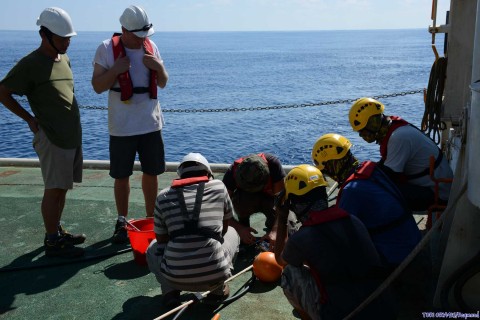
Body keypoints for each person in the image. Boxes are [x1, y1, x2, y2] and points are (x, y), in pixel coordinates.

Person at [312, 133, 432, 315]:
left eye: (326, 170)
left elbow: (341, 238)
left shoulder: (352, 192)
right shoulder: (372, 169)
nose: (328, 174)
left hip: (396, 262)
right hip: (414, 249)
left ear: (332, 164)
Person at [0, 7, 85, 258]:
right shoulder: (31, 64)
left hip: (70, 135)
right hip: (52, 137)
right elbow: (3, 92)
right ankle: (51, 239)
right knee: (54, 188)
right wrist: (29, 119)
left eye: (69, 38)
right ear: (44, 35)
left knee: (63, 187)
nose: (67, 42)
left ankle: (56, 231)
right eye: (62, 38)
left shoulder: (64, 59)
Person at [274, 164, 395, 320]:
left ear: (294, 204)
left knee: (290, 272)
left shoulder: (303, 237)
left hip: (343, 315)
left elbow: (280, 260)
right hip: (383, 308)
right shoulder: (353, 220)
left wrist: (282, 217)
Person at [91, 5, 169, 243]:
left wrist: (159, 67)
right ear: (124, 30)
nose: (142, 40)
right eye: (137, 35)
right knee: (121, 175)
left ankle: (150, 218)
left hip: (150, 124)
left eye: (144, 35)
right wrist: (115, 69)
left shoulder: (151, 47)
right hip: (122, 127)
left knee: (152, 173)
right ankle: (122, 219)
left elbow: (163, 82)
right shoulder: (106, 49)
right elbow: (97, 86)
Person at [146, 153, 240, 308]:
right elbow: (224, 228)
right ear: (208, 174)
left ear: (180, 175)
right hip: (214, 273)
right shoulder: (219, 187)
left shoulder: (162, 196)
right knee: (233, 233)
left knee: (152, 248)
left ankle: (170, 291)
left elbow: (162, 239)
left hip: (174, 276)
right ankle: (217, 290)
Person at [348, 97, 453, 211]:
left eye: (364, 130)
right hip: (432, 187)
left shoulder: (398, 137)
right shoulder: (395, 130)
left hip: (438, 193)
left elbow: (391, 176)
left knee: (379, 193)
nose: (362, 135)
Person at [222, 153, 286, 245]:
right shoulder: (232, 171)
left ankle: (271, 227)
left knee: (287, 229)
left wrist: (276, 230)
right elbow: (220, 209)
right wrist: (240, 229)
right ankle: (244, 227)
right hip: (246, 201)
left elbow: (282, 204)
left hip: (270, 200)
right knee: (242, 201)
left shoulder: (273, 165)